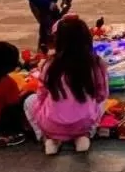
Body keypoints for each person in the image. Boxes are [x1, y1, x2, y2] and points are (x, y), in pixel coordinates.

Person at [23, 15, 108, 155]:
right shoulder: (96, 64)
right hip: (84, 122)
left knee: (29, 101)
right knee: (101, 103)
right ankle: (84, 135)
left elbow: (41, 94)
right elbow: (101, 95)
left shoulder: (50, 64)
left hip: (51, 123)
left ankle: (47, 138)